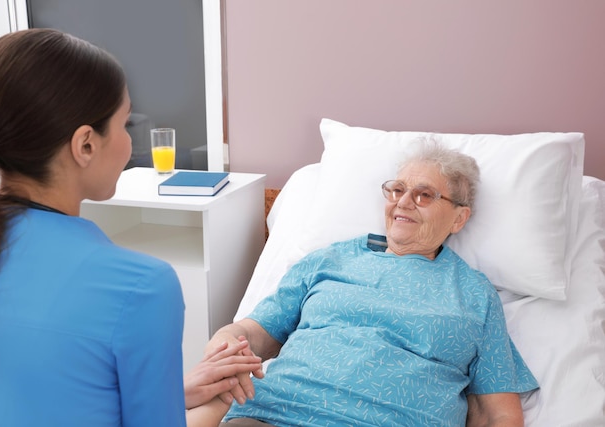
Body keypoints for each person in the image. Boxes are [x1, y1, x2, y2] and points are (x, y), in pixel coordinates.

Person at [0, 29, 260, 427]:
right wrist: (217, 407)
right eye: (125, 124)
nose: (130, 143)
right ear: (85, 146)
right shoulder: (141, 286)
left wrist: (171, 392)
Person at [206, 141, 539, 426]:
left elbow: (497, 414)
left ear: (458, 218)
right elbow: (256, 332)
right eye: (397, 189)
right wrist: (224, 343)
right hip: (274, 415)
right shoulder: (329, 260)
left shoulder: (474, 294)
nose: (403, 202)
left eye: (424, 195)